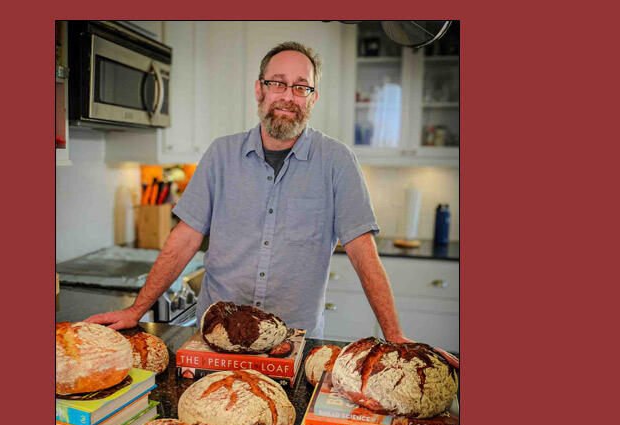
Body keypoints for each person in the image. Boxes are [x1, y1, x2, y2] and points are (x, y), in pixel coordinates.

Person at [85, 41, 458, 367]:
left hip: (291, 344)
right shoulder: (221, 155)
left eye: (300, 87)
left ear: (313, 98)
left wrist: (393, 333)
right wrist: (137, 309)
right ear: (259, 90)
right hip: (215, 338)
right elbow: (184, 239)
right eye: (277, 83)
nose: (287, 96)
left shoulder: (337, 161)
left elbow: (362, 251)